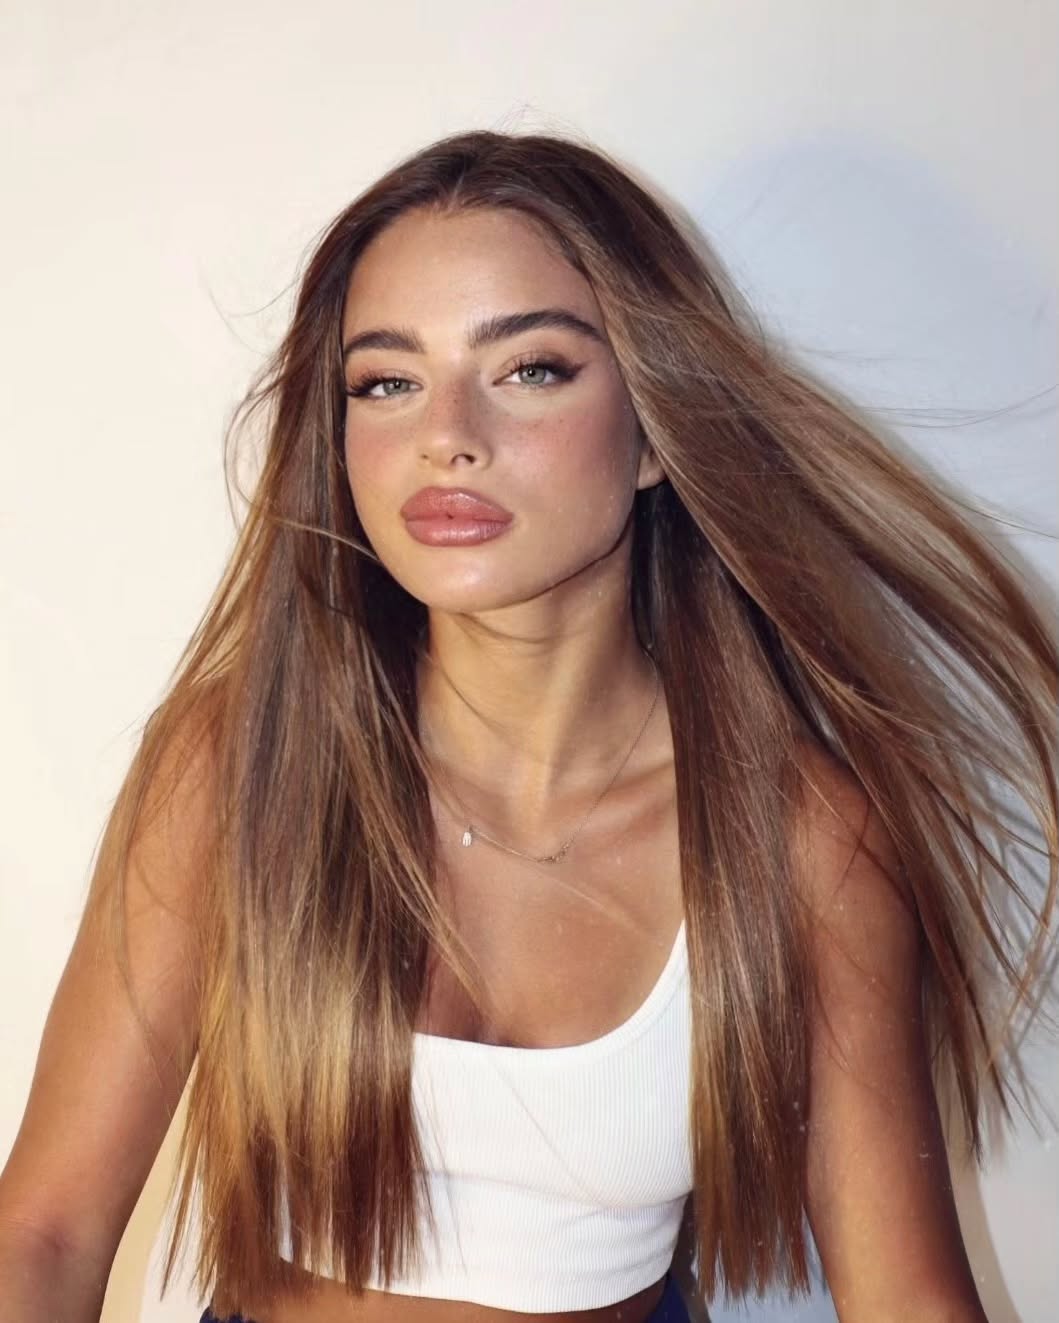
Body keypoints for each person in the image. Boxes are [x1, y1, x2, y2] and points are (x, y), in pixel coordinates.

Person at [0, 128, 1055, 1323]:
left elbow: (907, 1298)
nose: (445, 434)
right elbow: (44, 1232)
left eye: (531, 369)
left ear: (653, 431)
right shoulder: (240, 764)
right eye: (386, 382)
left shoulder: (803, 839)